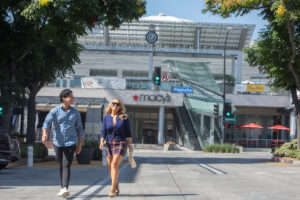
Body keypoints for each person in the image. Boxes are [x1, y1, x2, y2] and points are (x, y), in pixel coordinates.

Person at [42, 89, 83, 198]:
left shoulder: (75, 112)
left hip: (70, 142)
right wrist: (44, 133)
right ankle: (62, 187)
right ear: (64, 98)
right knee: (61, 165)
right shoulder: (55, 111)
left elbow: (79, 128)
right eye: (70, 96)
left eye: (72, 96)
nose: (72, 98)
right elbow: (47, 122)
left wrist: (80, 144)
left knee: (66, 164)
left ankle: (65, 187)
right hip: (58, 142)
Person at [99, 98, 133, 198]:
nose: (115, 105)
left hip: (121, 142)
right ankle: (116, 183)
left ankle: (112, 188)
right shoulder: (106, 118)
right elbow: (103, 131)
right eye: (114, 103)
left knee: (114, 164)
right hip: (109, 143)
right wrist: (101, 141)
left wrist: (130, 145)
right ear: (110, 105)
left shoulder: (124, 117)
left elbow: (128, 132)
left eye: (118, 104)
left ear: (120, 107)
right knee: (110, 168)